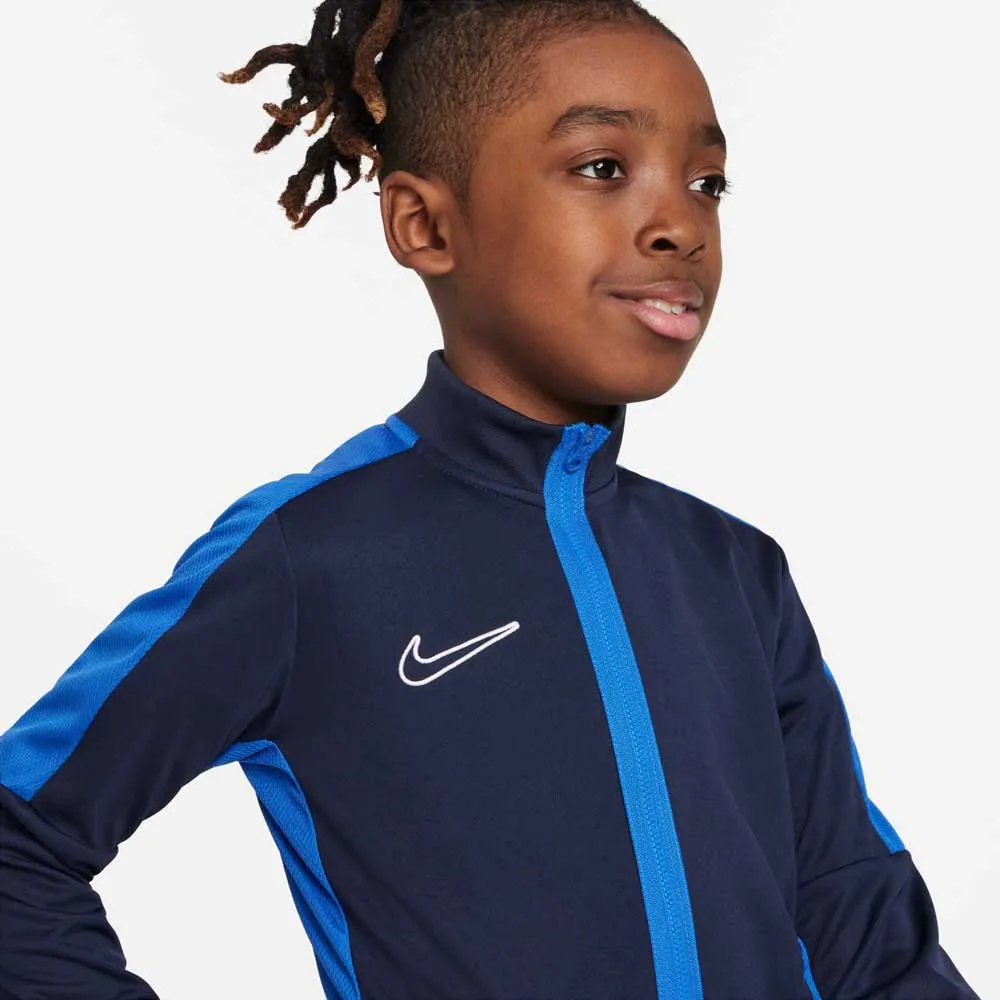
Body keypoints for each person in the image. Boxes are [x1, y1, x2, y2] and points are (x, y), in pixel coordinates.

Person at [0, 1, 982, 998]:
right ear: (424, 224)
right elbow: (17, 843)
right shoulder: (312, 557)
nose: (680, 224)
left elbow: (860, 921)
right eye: (603, 167)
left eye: (706, 182)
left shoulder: (734, 570)